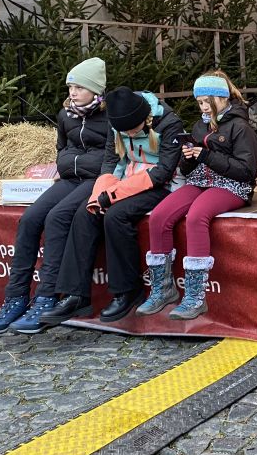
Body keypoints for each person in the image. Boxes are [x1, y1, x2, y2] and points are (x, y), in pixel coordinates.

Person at [0, 58, 110, 335]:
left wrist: (80, 164)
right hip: (67, 179)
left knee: (57, 218)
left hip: (95, 180)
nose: (72, 92)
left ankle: (47, 297)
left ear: (95, 89)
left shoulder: (109, 117)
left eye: (78, 87)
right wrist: (65, 166)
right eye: (70, 86)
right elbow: (61, 149)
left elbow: (112, 158)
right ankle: (15, 297)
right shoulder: (66, 115)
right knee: (29, 219)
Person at [40, 87, 185, 326]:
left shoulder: (168, 123)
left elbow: (163, 172)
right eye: (123, 131)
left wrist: (115, 195)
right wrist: (100, 194)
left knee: (116, 216)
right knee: (87, 212)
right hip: (128, 178)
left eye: (132, 129)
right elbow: (110, 160)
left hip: (162, 184)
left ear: (144, 118)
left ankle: (127, 290)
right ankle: (75, 294)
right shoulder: (116, 123)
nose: (128, 133)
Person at [138, 71, 257, 320]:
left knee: (197, 216)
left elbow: (246, 171)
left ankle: (195, 297)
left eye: (207, 101)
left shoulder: (241, 127)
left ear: (222, 98)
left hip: (232, 185)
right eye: (200, 102)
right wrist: (187, 157)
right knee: (160, 215)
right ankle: (162, 289)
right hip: (200, 180)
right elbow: (187, 169)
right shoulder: (200, 124)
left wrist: (205, 155)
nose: (203, 107)